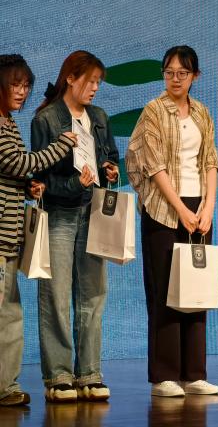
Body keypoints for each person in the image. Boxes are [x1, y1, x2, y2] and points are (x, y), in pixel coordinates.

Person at [125, 45, 218, 397]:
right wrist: (181, 209)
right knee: (165, 290)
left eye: (183, 73)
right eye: (169, 73)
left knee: (196, 289)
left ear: (195, 76)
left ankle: (194, 373)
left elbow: (210, 160)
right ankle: (164, 375)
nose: (175, 79)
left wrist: (208, 207)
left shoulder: (202, 112)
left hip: (199, 209)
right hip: (164, 209)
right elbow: (153, 166)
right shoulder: (153, 110)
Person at [32, 50, 119, 402]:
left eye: (99, 82)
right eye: (90, 81)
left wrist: (110, 169)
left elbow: (109, 155)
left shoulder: (99, 117)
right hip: (60, 214)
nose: (95, 88)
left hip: (94, 212)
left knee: (93, 295)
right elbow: (39, 178)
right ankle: (59, 376)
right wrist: (73, 184)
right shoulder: (47, 118)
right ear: (71, 78)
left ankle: (89, 373)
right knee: (55, 295)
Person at [0, 54, 76, 407]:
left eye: (26, 85)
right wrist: (61, 146)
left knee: (9, 314)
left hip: (8, 239)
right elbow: (18, 162)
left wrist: (26, 186)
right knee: (6, 315)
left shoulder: (8, 122)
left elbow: (11, 170)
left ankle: (6, 386)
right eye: (14, 84)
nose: (21, 91)